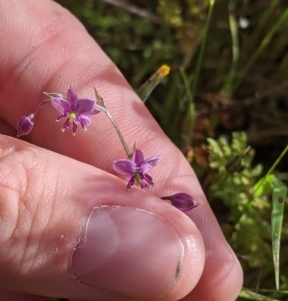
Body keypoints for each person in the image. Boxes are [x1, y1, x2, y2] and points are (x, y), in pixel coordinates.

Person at [0, 0, 243, 300]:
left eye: (75, 114)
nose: (73, 117)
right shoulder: (71, 108)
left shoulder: (117, 149)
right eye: (71, 114)